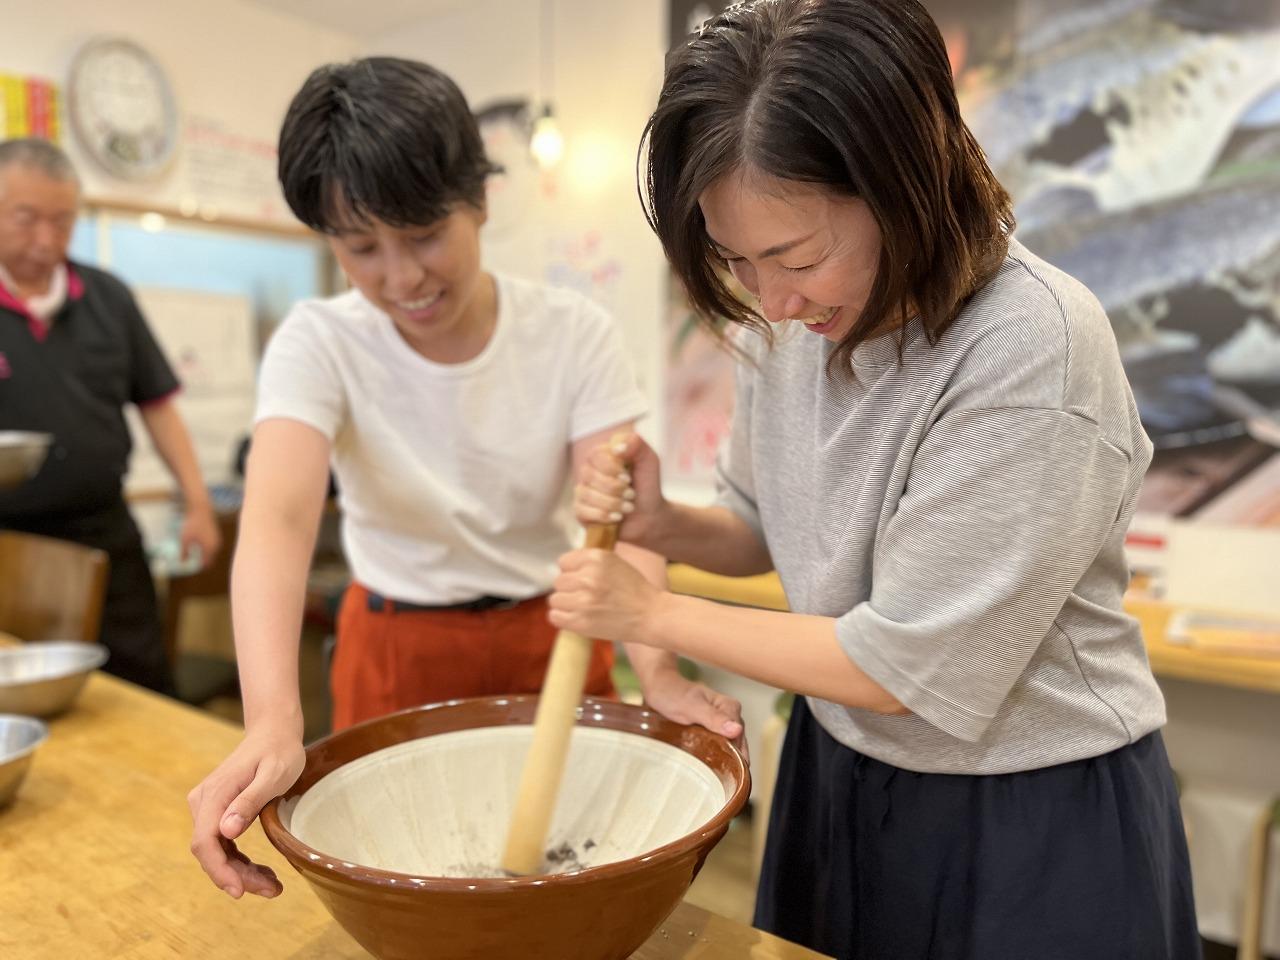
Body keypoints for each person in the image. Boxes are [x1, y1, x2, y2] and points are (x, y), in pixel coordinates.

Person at [552, 2, 1200, 957]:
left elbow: (905, 667)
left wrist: (652, 617)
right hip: (840, 765)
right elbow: (764, 524)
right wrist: (668, 526)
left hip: (1027, 804)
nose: (771, 300)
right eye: (737, 260)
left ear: (909, 186)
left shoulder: (1030, 349)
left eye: (798, 257)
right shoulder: (789, 326)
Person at [187, 57, 744, 901]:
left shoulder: (570, 334)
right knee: (412, 891)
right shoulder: (319, 342)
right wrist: (270, 715)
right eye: (361, 249)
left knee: (580, 881)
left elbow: (614, 520)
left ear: (478, 201)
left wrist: (658, 672)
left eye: (423, 235)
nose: (401, 277)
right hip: (394, 650)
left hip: (549, 639)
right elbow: (279, 521)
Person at [0, 138, 220, 693]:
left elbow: (159, 407)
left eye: (62, 221)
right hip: (7, 545)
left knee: (141, 682)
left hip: (105, 534)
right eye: (25, 219)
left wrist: (196, 502)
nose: (46, 239)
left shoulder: (108, 297)